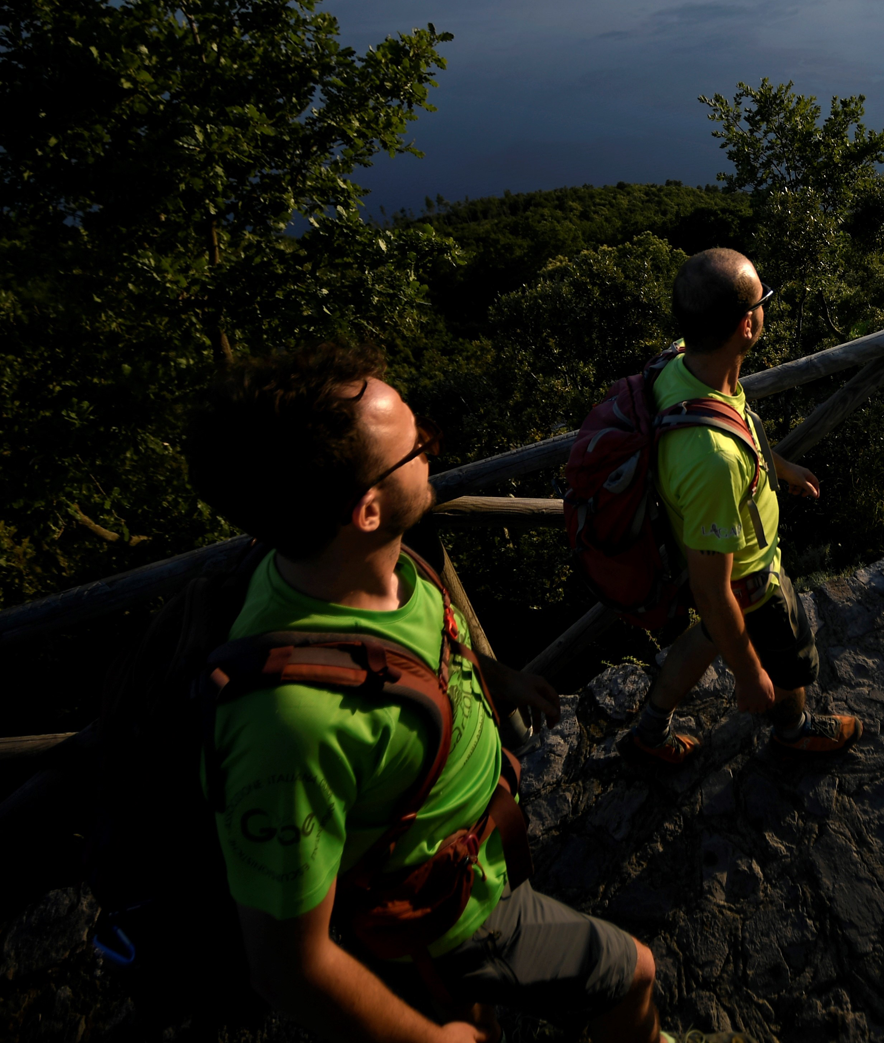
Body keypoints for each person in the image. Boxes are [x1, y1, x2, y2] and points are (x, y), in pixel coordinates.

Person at [188, 344, 666, 1043]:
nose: (432, 453)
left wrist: (497, 677)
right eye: (421, 446)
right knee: (634, 974)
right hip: (444, 916)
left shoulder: (377, 566)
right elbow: (286, 961)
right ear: (367, 508)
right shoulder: (288, 725)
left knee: (476, 1017)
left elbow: (413, 651)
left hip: (474, 864)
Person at [624, 248, 862, 768]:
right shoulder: (711, 462)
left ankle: (649, 728)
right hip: (751, 585)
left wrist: (780, 469)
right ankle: (794, 730)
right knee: (787, 662)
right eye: (762, 301)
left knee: (710, 632)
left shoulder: (683, 366)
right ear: (747, 324)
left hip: (709, 559)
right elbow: (713, 592)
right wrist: (751, 672)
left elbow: (733, 426)